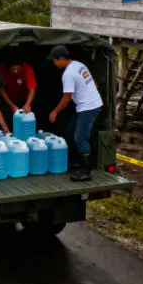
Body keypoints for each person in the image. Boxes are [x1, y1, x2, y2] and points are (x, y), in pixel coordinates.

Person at [47, 45, 103, 182]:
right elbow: (94, 83)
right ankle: (76, 163)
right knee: (70, 135)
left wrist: (54, 112)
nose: (54, 63)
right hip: (88, 105)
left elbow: (66, 98)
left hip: (88, 108)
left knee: (80, 138)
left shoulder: (68, 74)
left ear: (60, 59)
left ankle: (86, 171)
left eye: (54, 60)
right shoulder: (79, 65)